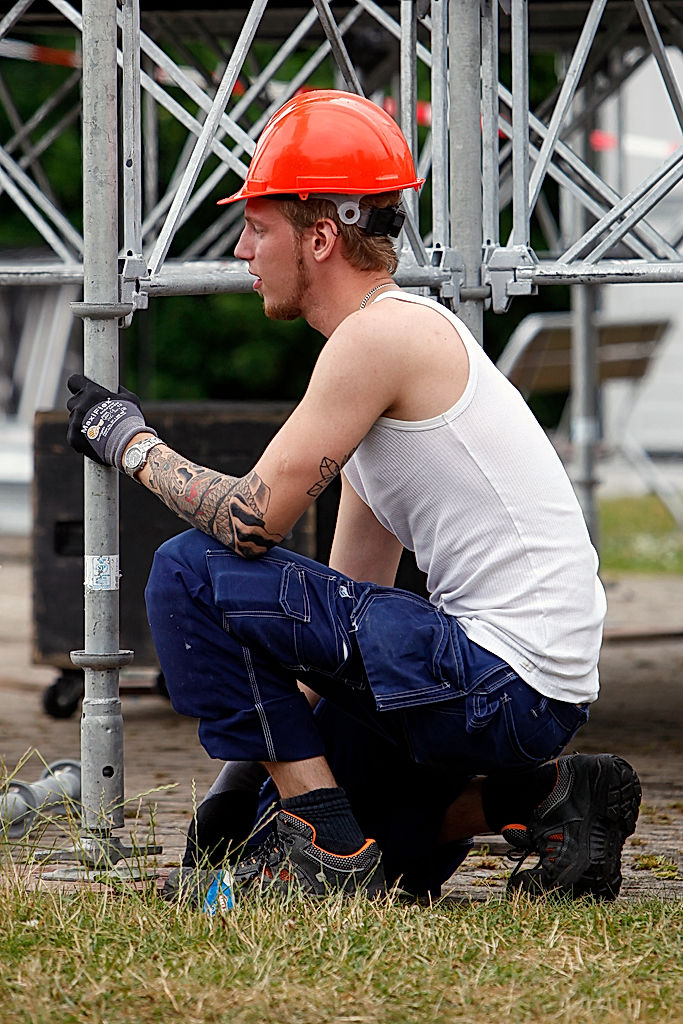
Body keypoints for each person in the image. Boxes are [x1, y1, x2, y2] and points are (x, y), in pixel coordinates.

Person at [66, 89, 641, 903]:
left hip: (498, 680)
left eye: (258, 227)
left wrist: (127, 440)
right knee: (361, 837)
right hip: (522, 693)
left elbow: (251, 522)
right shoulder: (383, 347)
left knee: (188, 568)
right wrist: (247, 782)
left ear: (321, 235)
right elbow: (344, 606)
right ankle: (543, 799)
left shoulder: (379, 337)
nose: (241, 250)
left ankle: (322, 849)